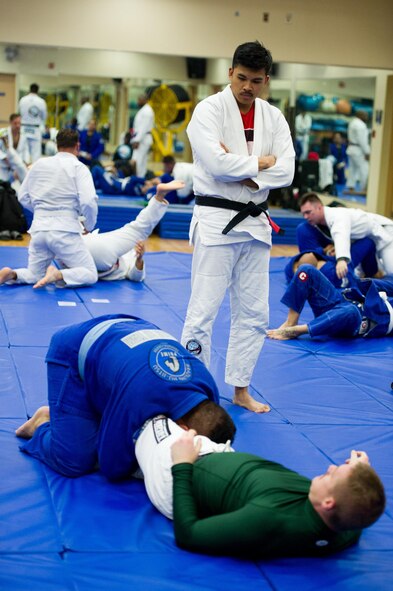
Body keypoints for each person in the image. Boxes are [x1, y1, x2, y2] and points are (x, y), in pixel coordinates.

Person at [180, 41, 295, 413]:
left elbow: (287, 170)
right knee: (203, 310)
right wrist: (260, 163)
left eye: (256, 80)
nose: (248, 86)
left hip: (256, 224)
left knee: (255, 313)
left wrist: (247, 172)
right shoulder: (207, 110)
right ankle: (191, 391)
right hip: (216, 222)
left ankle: (240, 389)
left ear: (266, 80)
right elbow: (214, 164)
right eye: (241, 78)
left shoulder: (273, 118)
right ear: (230, 73)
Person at [15, 314, 236, 482]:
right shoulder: (141, 398)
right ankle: (42, 424)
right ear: (186, 429)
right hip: (73, 350)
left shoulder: (209, 390)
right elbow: (113, 467)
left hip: (130, 331)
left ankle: (82, 417)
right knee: (75, 461)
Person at [137, 422, 385, 558]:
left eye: (333, 475)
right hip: (209, 456)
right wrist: (359, 474)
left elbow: (188, 535)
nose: (331, 467)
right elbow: (357, 511)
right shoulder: (342, 527)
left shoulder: (268, 517)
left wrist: (181, 464)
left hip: (175, 476)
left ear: (329, 503)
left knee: (149, 417)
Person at [0, 129, 98, 288]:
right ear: (78, 146)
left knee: (34, 273)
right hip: (65, 230)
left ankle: (12, 274)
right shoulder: (79, 167)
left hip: (39, 229)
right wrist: (89, 225)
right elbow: (88, 202)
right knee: (90, 273)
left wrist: (41, 212)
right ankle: (58, 274)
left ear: (57, 145)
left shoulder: (39, 164)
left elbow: (23, 197)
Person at [77, 180, 185, 281]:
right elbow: (136, 277)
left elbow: (136, 276)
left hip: (85, 250)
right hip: (84, 252)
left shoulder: (128, 256)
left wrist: (139, 259)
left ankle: (159, 197)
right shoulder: (122, 248)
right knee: (137, 230)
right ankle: (159, 196)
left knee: (137, 229)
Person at [267, 264, 393, 340]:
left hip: (358, 318)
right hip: (343, 298)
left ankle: (298, 330)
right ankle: (290, 322)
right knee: (306, 270)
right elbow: (367, 283)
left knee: (350, 311)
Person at [299, 193, 393, 275]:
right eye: (303, 214)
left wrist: (341, 260)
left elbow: (340, 233)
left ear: (319, 207)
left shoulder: (337, 215)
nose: (306, 217)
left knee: (390, 271)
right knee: (362, 274)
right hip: (367, 241)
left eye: (308, 212)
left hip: (384, 233)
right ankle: (380, 264)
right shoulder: (322, 223)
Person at [18, 83, 47, 163]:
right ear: (38, 91)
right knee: (36, 153)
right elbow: (44, 117)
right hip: (35, 128)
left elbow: (20, 113)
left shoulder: (23, 100)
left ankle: (23, 170)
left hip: (24, 127)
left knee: (24, 151)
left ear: (29, 89)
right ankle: (34, 171)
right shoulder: (41, 102)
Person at [345, 110, 370, 194]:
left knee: (352, 169)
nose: (367, 117)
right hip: (359, 149)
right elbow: (362, 140)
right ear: (360, 115)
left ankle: (351, 187)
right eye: (365, 115)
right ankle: (364, 188)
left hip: (352, 148)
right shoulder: (361, 125)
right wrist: (367, 152)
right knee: (364, 168)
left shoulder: (352, 122)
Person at [130, 94, 155, 177]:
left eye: (139, 100)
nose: (138, 102)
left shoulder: (147, 111)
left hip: (142, 140)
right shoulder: (144, 110)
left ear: (145, 100)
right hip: (141, 139)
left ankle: (138, 179)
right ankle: (140, 179)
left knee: (138, 162)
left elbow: (143, 128)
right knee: (140, 162)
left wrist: (137, 140)